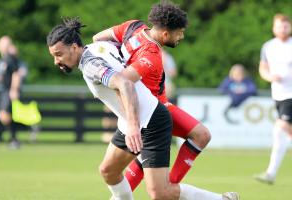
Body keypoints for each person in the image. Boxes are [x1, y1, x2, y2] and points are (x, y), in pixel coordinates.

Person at [47, 17, 239, 200]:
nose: (57, 61)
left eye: (59, 54)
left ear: (74, 47)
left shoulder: (90, 65)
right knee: (108, 171)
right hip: (132, 120)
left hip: (152, 121)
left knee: (160, 194)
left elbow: (125, 83)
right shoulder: (100, 47)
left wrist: (132, 125)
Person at [93, 0, 211, 190]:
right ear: (165, 33)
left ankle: (167, 188)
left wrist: (117, 59)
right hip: (153, 111)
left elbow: (97, 38)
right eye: (179, 32)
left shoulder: (133, 26)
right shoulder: (151, 56)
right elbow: (123, 80)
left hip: (152, 108)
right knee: (201, 136)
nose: (182, 36)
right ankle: (171, 189)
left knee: (201, 136)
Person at [254, 14, 292, 184]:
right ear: (274, 28)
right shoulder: (268, 47)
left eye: (285, 25)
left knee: (280, 127)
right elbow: (263, 68)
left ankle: (270, 173)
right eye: (279, 26)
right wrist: (270, 77)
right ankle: (271, 174)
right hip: (278, 94)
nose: (283, 29)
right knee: (281, 133)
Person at [0, 36, 22, 148]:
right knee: (5, 116)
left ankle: (14, 139)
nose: (1, 46)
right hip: (3, 91)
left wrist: (14, 90)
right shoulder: (2, 60)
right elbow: (1, 77)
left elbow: (16, 74)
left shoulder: (10, 58)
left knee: (5, 115)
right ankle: (13, 139)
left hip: (8, 91)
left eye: (3, 44)